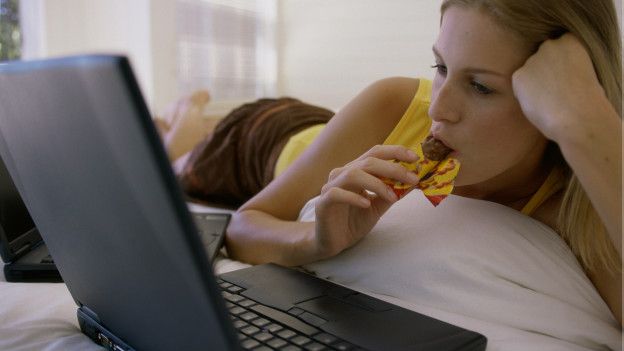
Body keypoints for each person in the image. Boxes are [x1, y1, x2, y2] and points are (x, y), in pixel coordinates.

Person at [223, 0, 622, 348]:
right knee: (206, 152)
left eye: (481, 87)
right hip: (273, 141)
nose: (438, 108)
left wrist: (584, 123)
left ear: (559, 97)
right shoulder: (393, 105)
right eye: (441, 67)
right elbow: (242, 228)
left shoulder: (581, 198)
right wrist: (315, 239)